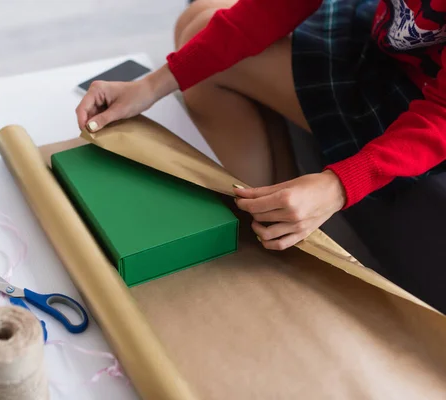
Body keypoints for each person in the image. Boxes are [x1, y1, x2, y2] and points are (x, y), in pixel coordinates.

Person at [75, 0, 446, 252]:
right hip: (390, 48)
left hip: (422, 111)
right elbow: (277, 6)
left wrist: (338, 185)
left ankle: (264, 238)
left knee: (206, 70)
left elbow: (440, 119)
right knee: (201, 15)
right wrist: (150, 85)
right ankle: (274, 219)